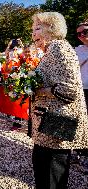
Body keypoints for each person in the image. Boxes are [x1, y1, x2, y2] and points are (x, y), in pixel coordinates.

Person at [31, 12, 88, 189]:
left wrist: (38, 90)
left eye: (37, 28)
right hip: (50, 124)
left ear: (52, 29)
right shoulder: (51, 50)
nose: (33, 34)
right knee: (44, 171)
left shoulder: (58, 47)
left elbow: (69, 90)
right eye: (32, 30)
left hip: (57, 122)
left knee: (51, 176)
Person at [74, 21, 88, 173]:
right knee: (80, 123)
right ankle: (79, 152)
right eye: (79, 33)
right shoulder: (77, 50)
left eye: (85, 31)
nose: (82, 35)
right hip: (81, 90)